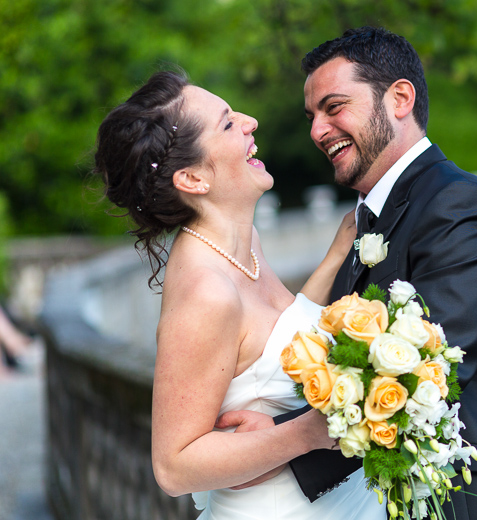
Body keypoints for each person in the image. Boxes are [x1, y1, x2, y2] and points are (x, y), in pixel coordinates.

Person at [223, 27, 477, 519]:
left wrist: (281, 443)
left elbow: (431, 366)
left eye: (334, 107)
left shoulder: (461, 207)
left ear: (399, 98)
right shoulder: (363, 224)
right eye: (312, 116)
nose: (318, 131)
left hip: (472, 501)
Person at [93, 70, 385, 520]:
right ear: (192, 179)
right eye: (228, 123)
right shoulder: (206, 292)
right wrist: (305, 433)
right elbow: (173, 465)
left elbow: (274, 342)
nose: (250, 122)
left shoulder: (243, 244)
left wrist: (337, 253)